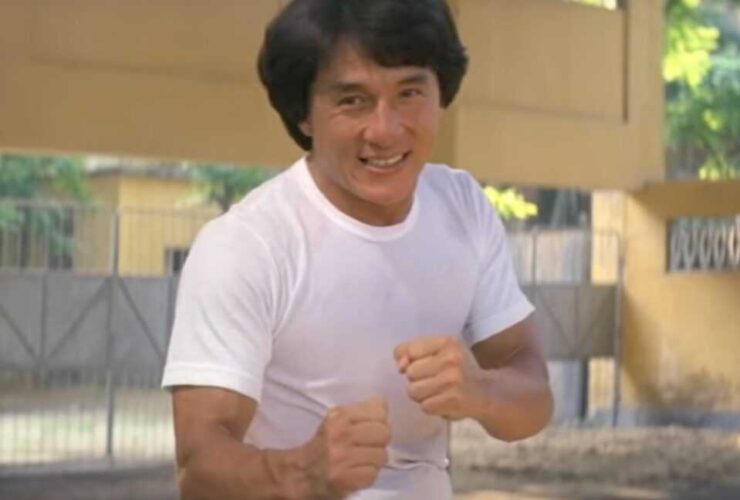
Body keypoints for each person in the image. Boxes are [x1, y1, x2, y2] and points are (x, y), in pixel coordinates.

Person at [162, 0, 554, 498]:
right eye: (353, 100)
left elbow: (534, 400)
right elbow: (197, 469)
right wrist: (302, 472)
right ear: (303, 113)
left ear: (442, 95)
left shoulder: (462, 206)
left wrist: (482, 390)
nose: (385, 130)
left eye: (409, 93)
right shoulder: (247, 245)